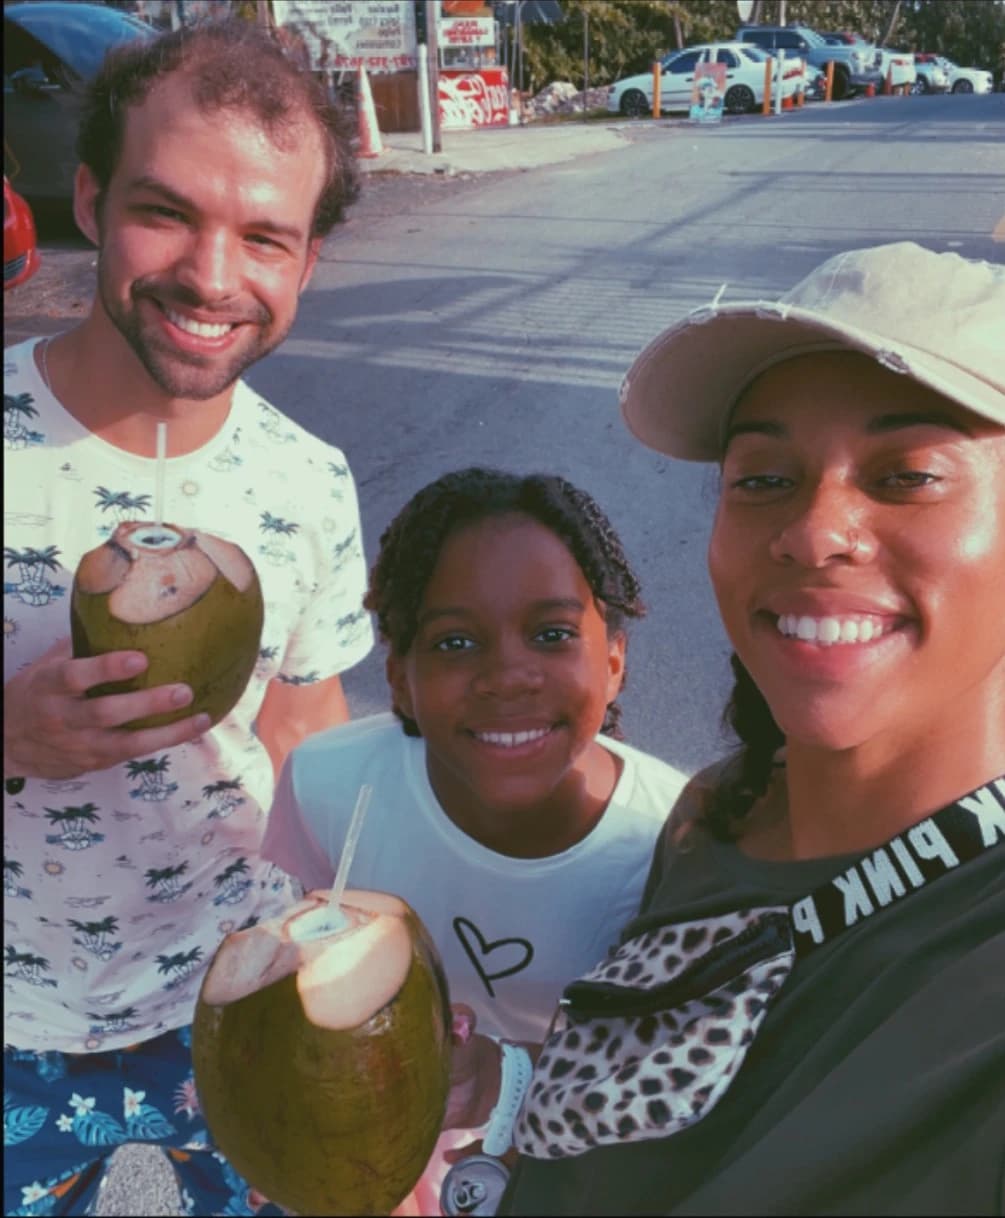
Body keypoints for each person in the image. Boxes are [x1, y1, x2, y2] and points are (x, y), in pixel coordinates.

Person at [448, 242, 1005, 1216]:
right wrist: (503, 1094)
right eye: (762, 478)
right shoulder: (717, 811)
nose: (814, 529)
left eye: (908, 474)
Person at [3, 21, 374, 1217]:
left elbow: (306, 737)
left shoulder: (312, 481)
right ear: (91, 199)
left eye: (264, 235)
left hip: (236, 998)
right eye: (167, 213)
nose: (214, 278)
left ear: (306, 260)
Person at [261, 467, 689, 1214]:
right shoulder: (331, 788)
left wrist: (509, 1087)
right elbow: (316, 978)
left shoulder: (676, 845)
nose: (507, 677)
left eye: (552, 634)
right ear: (399, 679)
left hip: (585, 1152)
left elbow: (678, 1066)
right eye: (455, 642)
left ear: (614, 661)